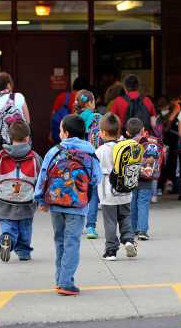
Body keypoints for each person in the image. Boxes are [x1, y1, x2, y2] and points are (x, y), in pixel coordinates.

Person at [35, 114, 102, 296]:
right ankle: (66, 282)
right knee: (72, 242)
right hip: (78, 207)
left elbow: (43, 175)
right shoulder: (89, 152)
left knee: (60, 241)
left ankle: (60, 279)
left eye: (60, 130)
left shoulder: (54, 151)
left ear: (65, 133)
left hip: (56, 204)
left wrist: (40, 199)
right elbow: (96, 179)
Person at [0, 121, 42, 262]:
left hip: (4, 200)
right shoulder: (35, 157)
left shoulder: (0, 156)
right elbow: (42, 179)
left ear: (9, 137)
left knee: (8, 224)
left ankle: (7, 238)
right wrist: (41, 198)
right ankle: (24, 252)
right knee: (25, 228)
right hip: (27, 202)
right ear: (27, 138)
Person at [96, 113, 137, 260]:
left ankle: (111, 250)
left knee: (110, 222)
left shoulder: (101, 151)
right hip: (125, 192)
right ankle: (128, 240)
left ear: (103, 133)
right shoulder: (125, 147)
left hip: (108, 194)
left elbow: (95, 171)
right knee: (125, 217)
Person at [75, 90, 101, 239]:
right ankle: (90, 226)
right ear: (90, 103)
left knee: (78, 191)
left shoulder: (73, 119)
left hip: (77, 160)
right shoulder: (97, 117)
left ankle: (77, 225)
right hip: (93, 158)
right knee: (93, 194)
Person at [0, 72, 31, 160]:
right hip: (20, 140)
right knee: (22, 170)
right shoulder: (18, 96)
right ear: (8, 85)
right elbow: (27, 121)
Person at [126, 118, 153, 241]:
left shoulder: (126, 145)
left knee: (131, 203)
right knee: (143, 204)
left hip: (131, 177)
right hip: (146, 178)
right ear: (143, 130)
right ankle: (142, 230)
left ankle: (132, 229)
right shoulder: (149, 143)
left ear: (127, 132)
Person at [49, 77, 89, 144]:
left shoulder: (62, 97)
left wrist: (51, 131)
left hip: (61, 134)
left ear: (73, 86)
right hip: (77, 138)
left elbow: (53, 115)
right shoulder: (85, 100)